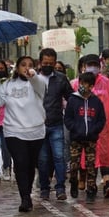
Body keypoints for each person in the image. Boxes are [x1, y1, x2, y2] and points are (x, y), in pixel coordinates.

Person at [0, 56, 46, 212]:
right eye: (23, 65)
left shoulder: (39, 82)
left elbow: (40, 86)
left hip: (35, 130)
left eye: (30, 65)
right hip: (13, 130)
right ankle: (25, 198)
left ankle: (28, 192)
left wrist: (33, 76)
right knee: (20, 162)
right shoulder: (7, 85)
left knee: (30, 164)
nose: (27, 68)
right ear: (17, 68)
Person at [71, 54, 109, 199]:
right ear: (83, 67)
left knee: (105, 155)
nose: (93, 68)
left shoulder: (107, 83)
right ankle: (87, 181)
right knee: (85, 156)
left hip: (103, 128)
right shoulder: (75, 84)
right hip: (83, 127)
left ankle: (107, 183)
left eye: (95, 65)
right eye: (89, 64)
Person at [37, 48, 73, 201]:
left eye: (51, 64)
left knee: (59, 157)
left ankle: (60, 188)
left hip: (56, 123)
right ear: (40, 63)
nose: (48, 66)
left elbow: (70, 97)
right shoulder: (33, 79)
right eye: (45, 63)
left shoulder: (60, 78)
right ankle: (44, 187)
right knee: (43, 159)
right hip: (38, 125)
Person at [64, 72, 106, 203]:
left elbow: (101, 119)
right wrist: (75, 128)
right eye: (80, 83)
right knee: (74, 164)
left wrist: (94, 130)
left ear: (91, 86)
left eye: (85, 84)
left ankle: (91, 189)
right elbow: (68, 118)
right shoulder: (73, 100)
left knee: (90, 165)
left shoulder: (96, 101)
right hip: (76, 138)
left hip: (91, 139)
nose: (82, 86)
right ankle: (74, 182)